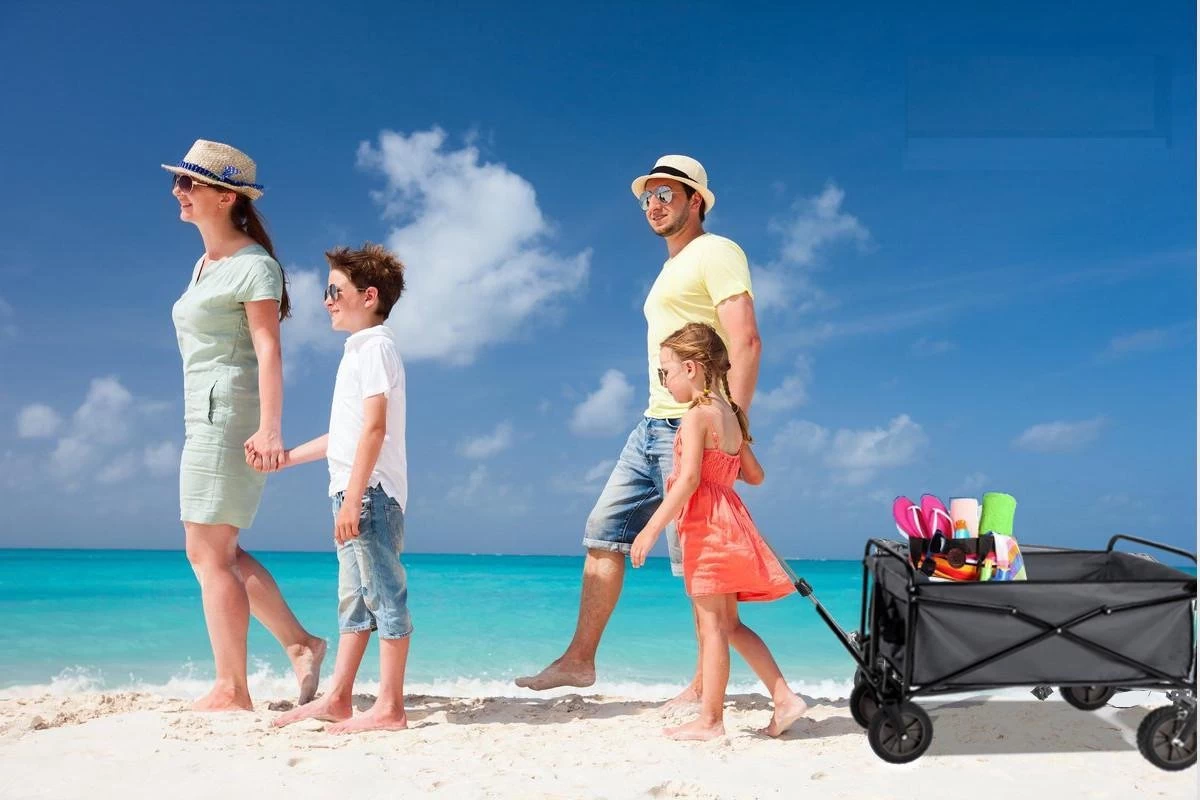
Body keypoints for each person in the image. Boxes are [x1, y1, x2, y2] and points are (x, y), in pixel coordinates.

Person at [516, 155, 763, 703]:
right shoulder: (670, 269)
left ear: (695, 200)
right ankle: (579, 661)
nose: (654, 204)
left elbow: (746, 339)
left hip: (691, 425)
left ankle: (704, 685)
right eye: (648, 197)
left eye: (665, 194)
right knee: (604, 531)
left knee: (697, 560)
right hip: (651, 422)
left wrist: (733, 425)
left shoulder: (716, 251)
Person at [166, 139, 325, 712]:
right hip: (203, 412)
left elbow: (268, 349)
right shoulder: (206, 264)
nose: (178, 191)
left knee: (208, 551)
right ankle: (301, 644)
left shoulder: (255, 266)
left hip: (228, 414)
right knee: (217, 550)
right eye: (177, 181)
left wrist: (271, 428)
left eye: (190, 183)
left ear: (226, 196)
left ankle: (233, 689)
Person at [630, 322, 806, 740]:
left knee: (712, 628)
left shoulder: (696, 417)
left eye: (666, 372)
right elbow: (755, 476)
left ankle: (710, 721)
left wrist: (650, 528)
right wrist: (723, 466)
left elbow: (690, 479)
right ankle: (784, 698)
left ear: (691, 368)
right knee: (729, 625)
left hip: (706, 528)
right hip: (732, 523)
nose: (665, 381)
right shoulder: (731, 416)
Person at [270, 243, 412, 734]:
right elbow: (344, 436)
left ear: (369, 296)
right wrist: (286, 458)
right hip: (352, 491)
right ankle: (338, 698)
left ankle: (391, 707)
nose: (326, 300)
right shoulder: (357, 351)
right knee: (353, 601)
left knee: (385, 597)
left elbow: (374, 429)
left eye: (335, 291)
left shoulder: (376, 348)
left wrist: (354, 499)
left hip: (368, 493)